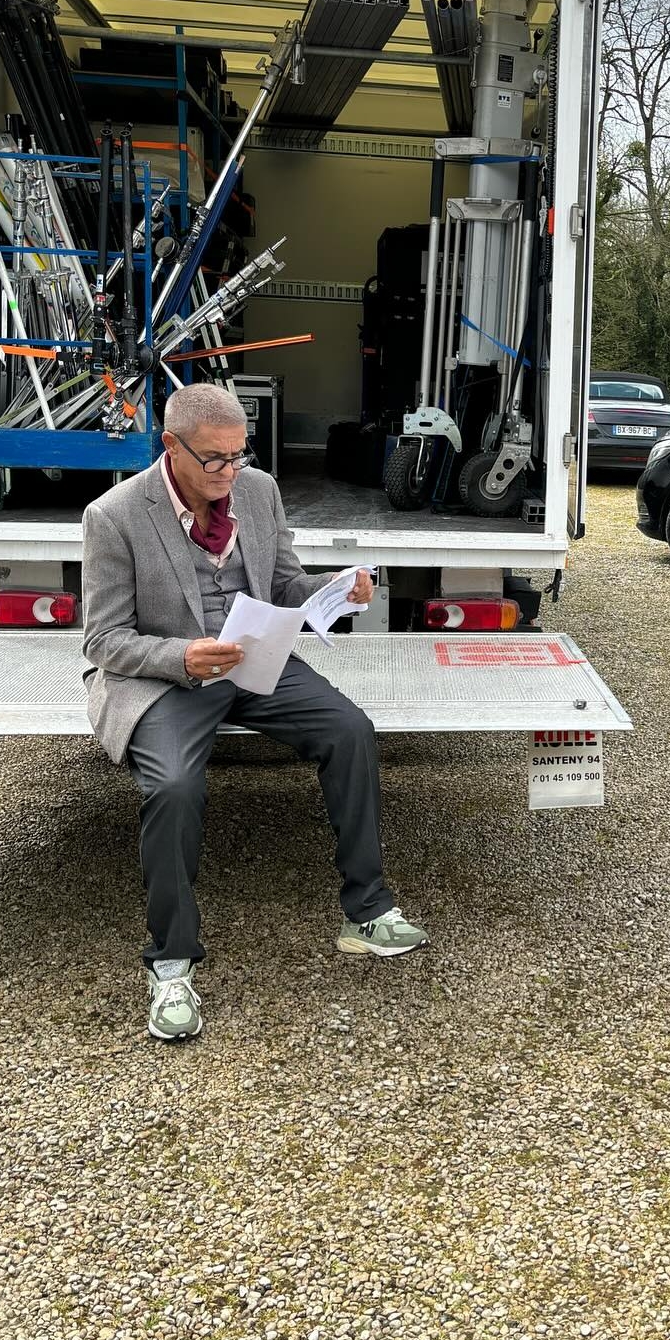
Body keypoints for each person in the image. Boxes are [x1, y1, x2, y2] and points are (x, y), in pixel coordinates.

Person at [81, 383, 428, 1042]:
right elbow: (103, 641)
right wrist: (184, 656)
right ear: (170, 446)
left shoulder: (258, 491)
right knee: (173, 786)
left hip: (255, 662)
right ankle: (172, 963)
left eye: (239, 455)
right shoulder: (114, 515)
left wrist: (336, 589)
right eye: (214, 459)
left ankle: (368, 910)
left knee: (351, 731)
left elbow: (284, 585)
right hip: (169, 678)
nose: (229, 471)